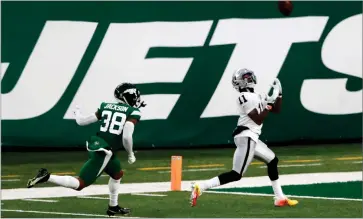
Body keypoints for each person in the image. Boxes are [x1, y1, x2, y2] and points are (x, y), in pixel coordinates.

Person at [27, 83, 146, 216]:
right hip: (105, 151)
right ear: (126, 97)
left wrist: (77, 112)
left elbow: (81, 121)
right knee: (80, 183)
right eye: (134, 97)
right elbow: (126, 137)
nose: (136, 99)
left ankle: (113, 206)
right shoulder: (133, 112)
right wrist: (130, 154)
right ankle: (47, 177)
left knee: (117, 174)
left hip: (99, 144)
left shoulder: (105, 106)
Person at [190, 69, 298, 207]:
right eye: (246, 77)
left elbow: (276, 110)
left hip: (252, 138)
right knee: (236, 174)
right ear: (239, 82)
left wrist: (279, 95)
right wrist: (269, 104)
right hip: (246, 136)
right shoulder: (243, 97)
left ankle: (280, 198)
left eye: (249, 76)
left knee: (272, 160)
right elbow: (257, 119)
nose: (249, 78)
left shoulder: (259, 95)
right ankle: (200, 186)